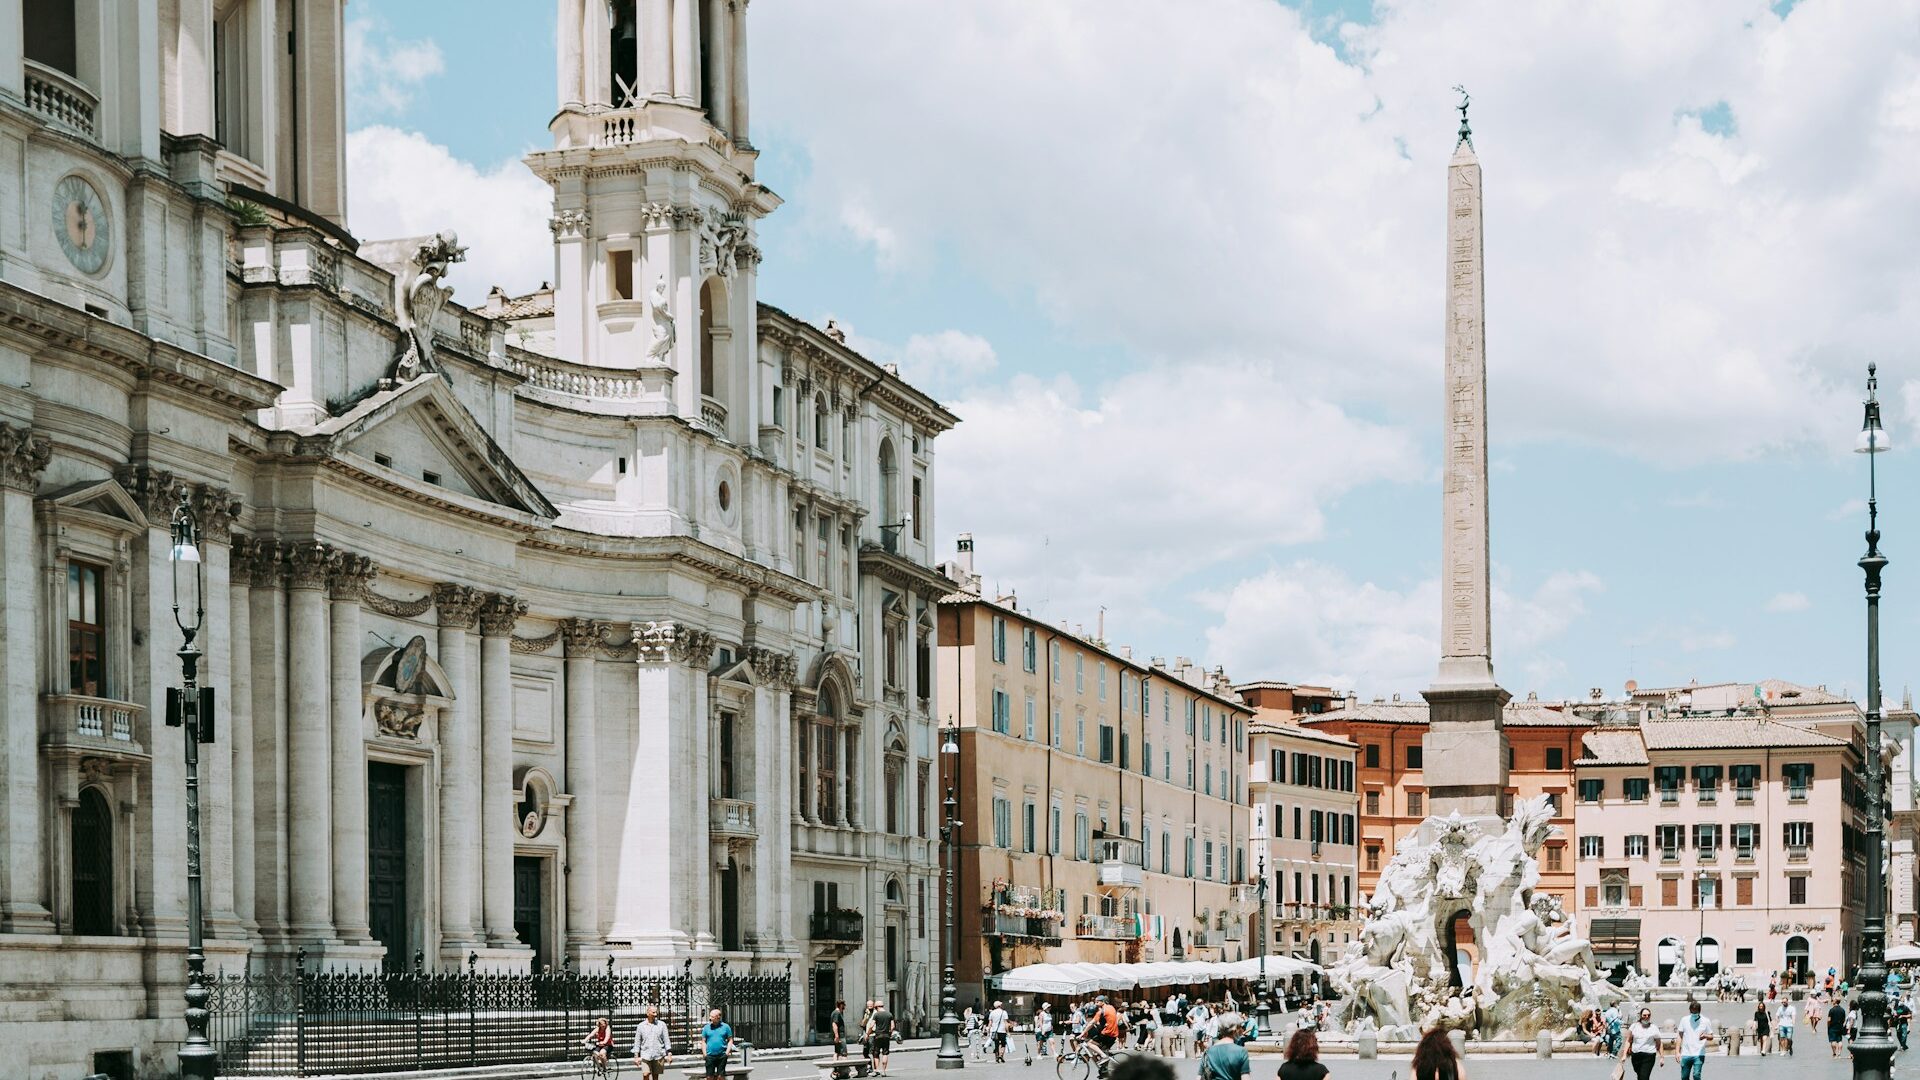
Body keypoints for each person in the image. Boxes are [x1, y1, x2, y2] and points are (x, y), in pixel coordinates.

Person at [1198, 1015, 1251, 1080]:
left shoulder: (1208, 1051)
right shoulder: (1241, 1051)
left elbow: (1199, 1077)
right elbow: (1245, 1077)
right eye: (1240, 1027)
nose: (1242, 1030)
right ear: (1235, 1029)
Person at [1622, 1006, 1665, 1080]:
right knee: (1640, 1075)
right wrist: (1624, 1055)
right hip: (1636, 1055)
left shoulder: (1654, 1028)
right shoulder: (1634, 1026)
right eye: (1644, 1015)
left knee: (1644, 1077)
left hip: (1649, 1055)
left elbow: (1659, 1043)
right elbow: (1628, 1040)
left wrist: (1662, 1057)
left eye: (1648, 1015)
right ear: (1640, 1016)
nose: (1646, 1017)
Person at [1677, 999, 1714, 1080]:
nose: (1694, 1013)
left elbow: (1711, 1036)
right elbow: (1680, 1036)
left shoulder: (1705, 1020)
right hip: (1686, 1053)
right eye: (1692, 1011)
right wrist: (1677, 1052)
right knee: (1684, 1077)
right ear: (1690, 1010)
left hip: (1699, 1054)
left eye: (1696, 1012)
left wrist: (1705, 1036)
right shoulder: (1684, 1020)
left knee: (1696, 1075)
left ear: (1699, 1011)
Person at [633, 1005, 674, 1077]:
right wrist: (636, 1056)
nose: (655, 1014)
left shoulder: (662, 1025)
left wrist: (669, 1054)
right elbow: (637, 1041)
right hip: (645, 1054)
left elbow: (666, 1039)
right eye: (653, 1012)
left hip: (658, 1054)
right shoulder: (641, 1026)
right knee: (646, 1074)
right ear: (648, 1013)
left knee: (655, 1076)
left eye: (656, 1012)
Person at [699, 1008, 733, 1080]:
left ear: (718, 1017)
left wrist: (727, 1052)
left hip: (722, 1055)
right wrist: (705, 1054)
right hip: (710, 1055)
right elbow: (703, 1041)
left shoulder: (726, 1027)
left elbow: (730, 1040)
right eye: (710, 1016)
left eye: (712, 1016)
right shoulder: (706, 1028)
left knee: (721, 1077)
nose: (710, 1018)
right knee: (709, 1077)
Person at [868, 999, 896, 1076]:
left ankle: (877, 1070)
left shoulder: (876, 1015)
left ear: (876, 1007)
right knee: (885, 1053)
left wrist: (868, 1034)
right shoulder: (889, 1014)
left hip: (878, 1036)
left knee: (876, 1053)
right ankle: (883, 1071)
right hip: (886, 1036)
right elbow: (893, 1026)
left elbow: (871, 1025)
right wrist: (890, 1033)